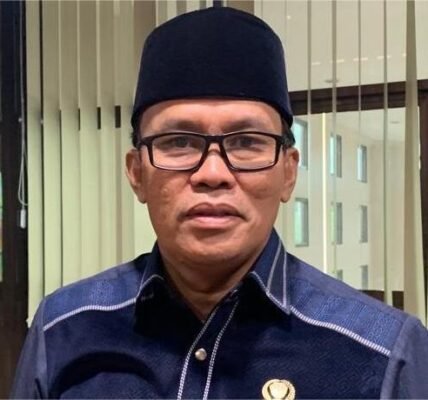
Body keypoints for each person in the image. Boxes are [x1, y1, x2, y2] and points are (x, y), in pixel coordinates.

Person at [11, 6, 428, 399]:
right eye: (178, 142)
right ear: (136, 173)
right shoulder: (63, 329)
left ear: (288, 172)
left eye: (246, 142)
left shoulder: (383, 353)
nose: (212, 173)